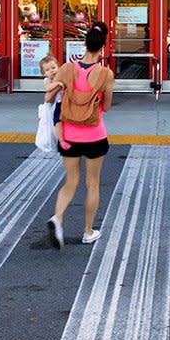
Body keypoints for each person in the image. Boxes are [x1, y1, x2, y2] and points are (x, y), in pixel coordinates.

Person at [46, 21, 114, 249]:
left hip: (69, 134)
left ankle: (58, 218)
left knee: (70, 181)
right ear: (103, 47)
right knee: (92, 183)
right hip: (94, 135)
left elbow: (50, 96)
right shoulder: (105, 73)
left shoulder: (66, 68)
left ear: (84, 44)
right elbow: (106, 106)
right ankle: (87, 231)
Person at [40, 53, 63, 140]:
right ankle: (60, 139)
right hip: (56, 104)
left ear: (58, 67)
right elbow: (48, 88)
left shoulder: (61, 76)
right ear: (44, 73)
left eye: (53, 68)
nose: (51, 71)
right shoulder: (48, 80)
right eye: (47, 70)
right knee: (57, 120)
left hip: (64, 102)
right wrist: (57, 83)